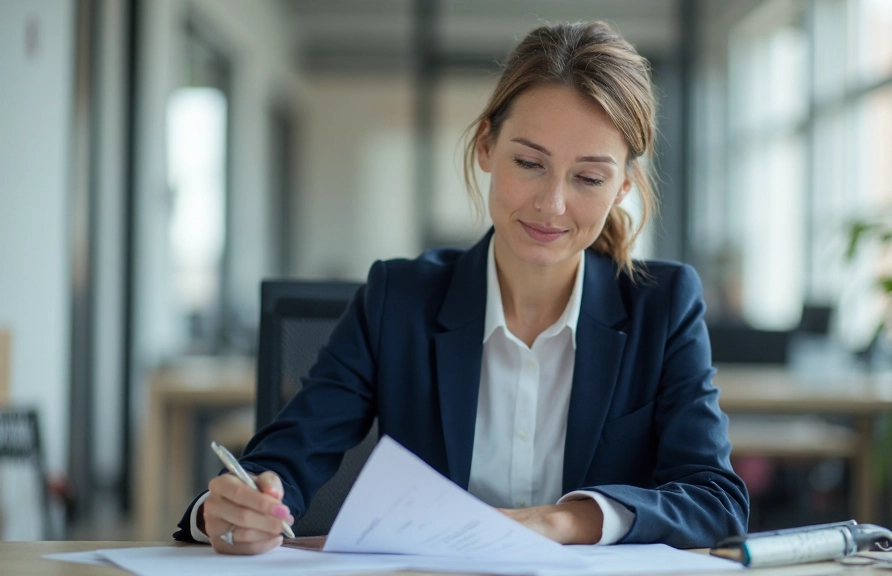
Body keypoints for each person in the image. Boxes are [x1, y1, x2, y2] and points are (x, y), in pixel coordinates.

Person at [174, 20, 748, 555]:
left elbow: (715, 500)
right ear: (485, 147)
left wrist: (559, 520)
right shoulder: (397, 298)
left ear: (624, 184)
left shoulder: (662, 305)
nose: (552, 204)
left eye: (589, 177)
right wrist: (231, 509)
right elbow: (283, 463)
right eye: (529, 163)